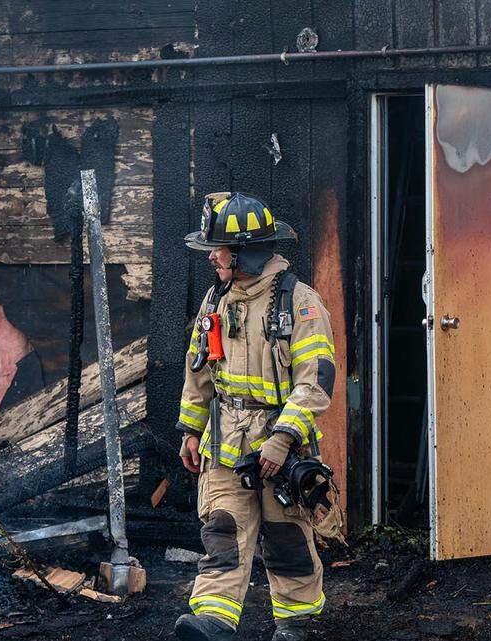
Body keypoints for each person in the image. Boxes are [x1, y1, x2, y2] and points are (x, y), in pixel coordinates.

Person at [173, 192, 338, 641]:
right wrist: (191, 428)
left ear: (245, 251)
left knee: (286, 540)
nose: (213, 259)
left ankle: (296, 624)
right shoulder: (216, 300)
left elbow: (316, 380)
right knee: (222, 531)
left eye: (219, 250)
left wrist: (283, 438)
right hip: (226, 444)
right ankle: (214, 622)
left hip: (281, 449)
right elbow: (199, 368)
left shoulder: (300, 304)